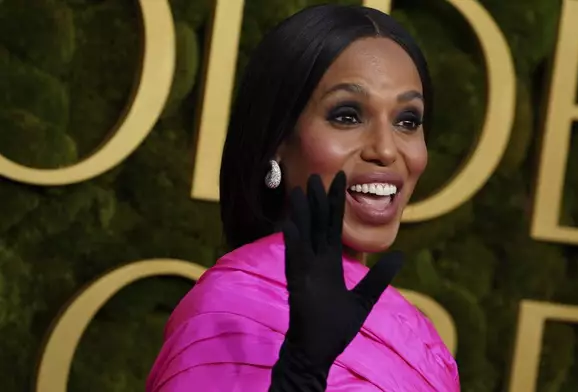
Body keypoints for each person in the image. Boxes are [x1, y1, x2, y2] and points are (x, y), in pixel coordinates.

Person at [147, 4, 460, 391]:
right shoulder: (229, 309)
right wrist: (299, 374)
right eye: (347, 115)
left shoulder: (411, 327)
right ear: (278, 139)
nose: (386, 149)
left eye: (407, 121)